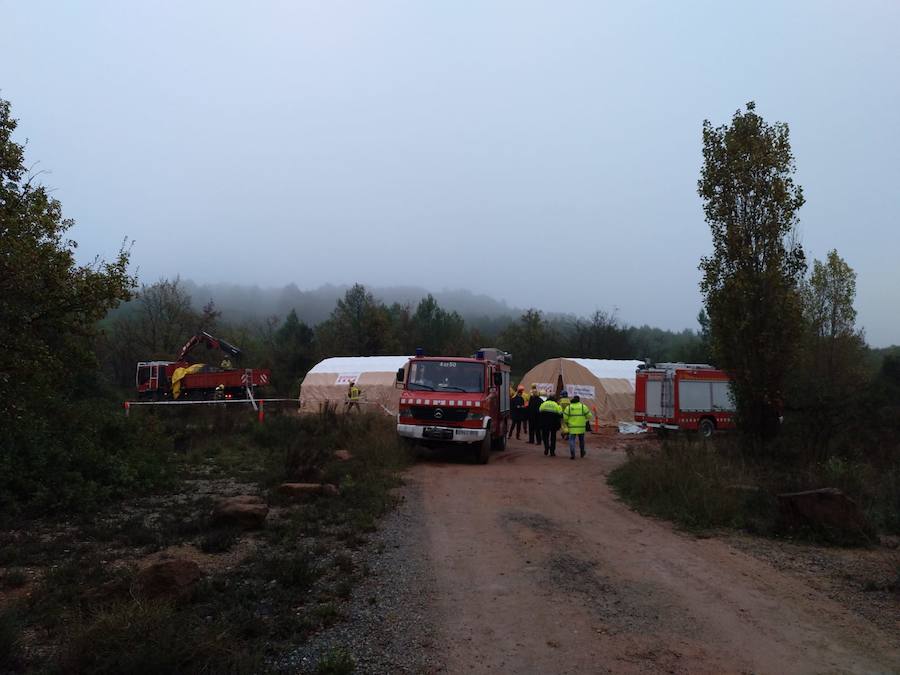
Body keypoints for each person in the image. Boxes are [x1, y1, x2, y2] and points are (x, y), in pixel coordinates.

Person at [563, 395, 593, 459]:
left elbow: (565, 418)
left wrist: (567, 422)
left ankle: (572, 453)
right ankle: (582, 452)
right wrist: (584, 419)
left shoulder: (569, 407)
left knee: (571, 440)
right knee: (581, 440)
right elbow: (589, 416)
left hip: (572, 427)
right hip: (581, 427)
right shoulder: (583, 407)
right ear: (579, 400)